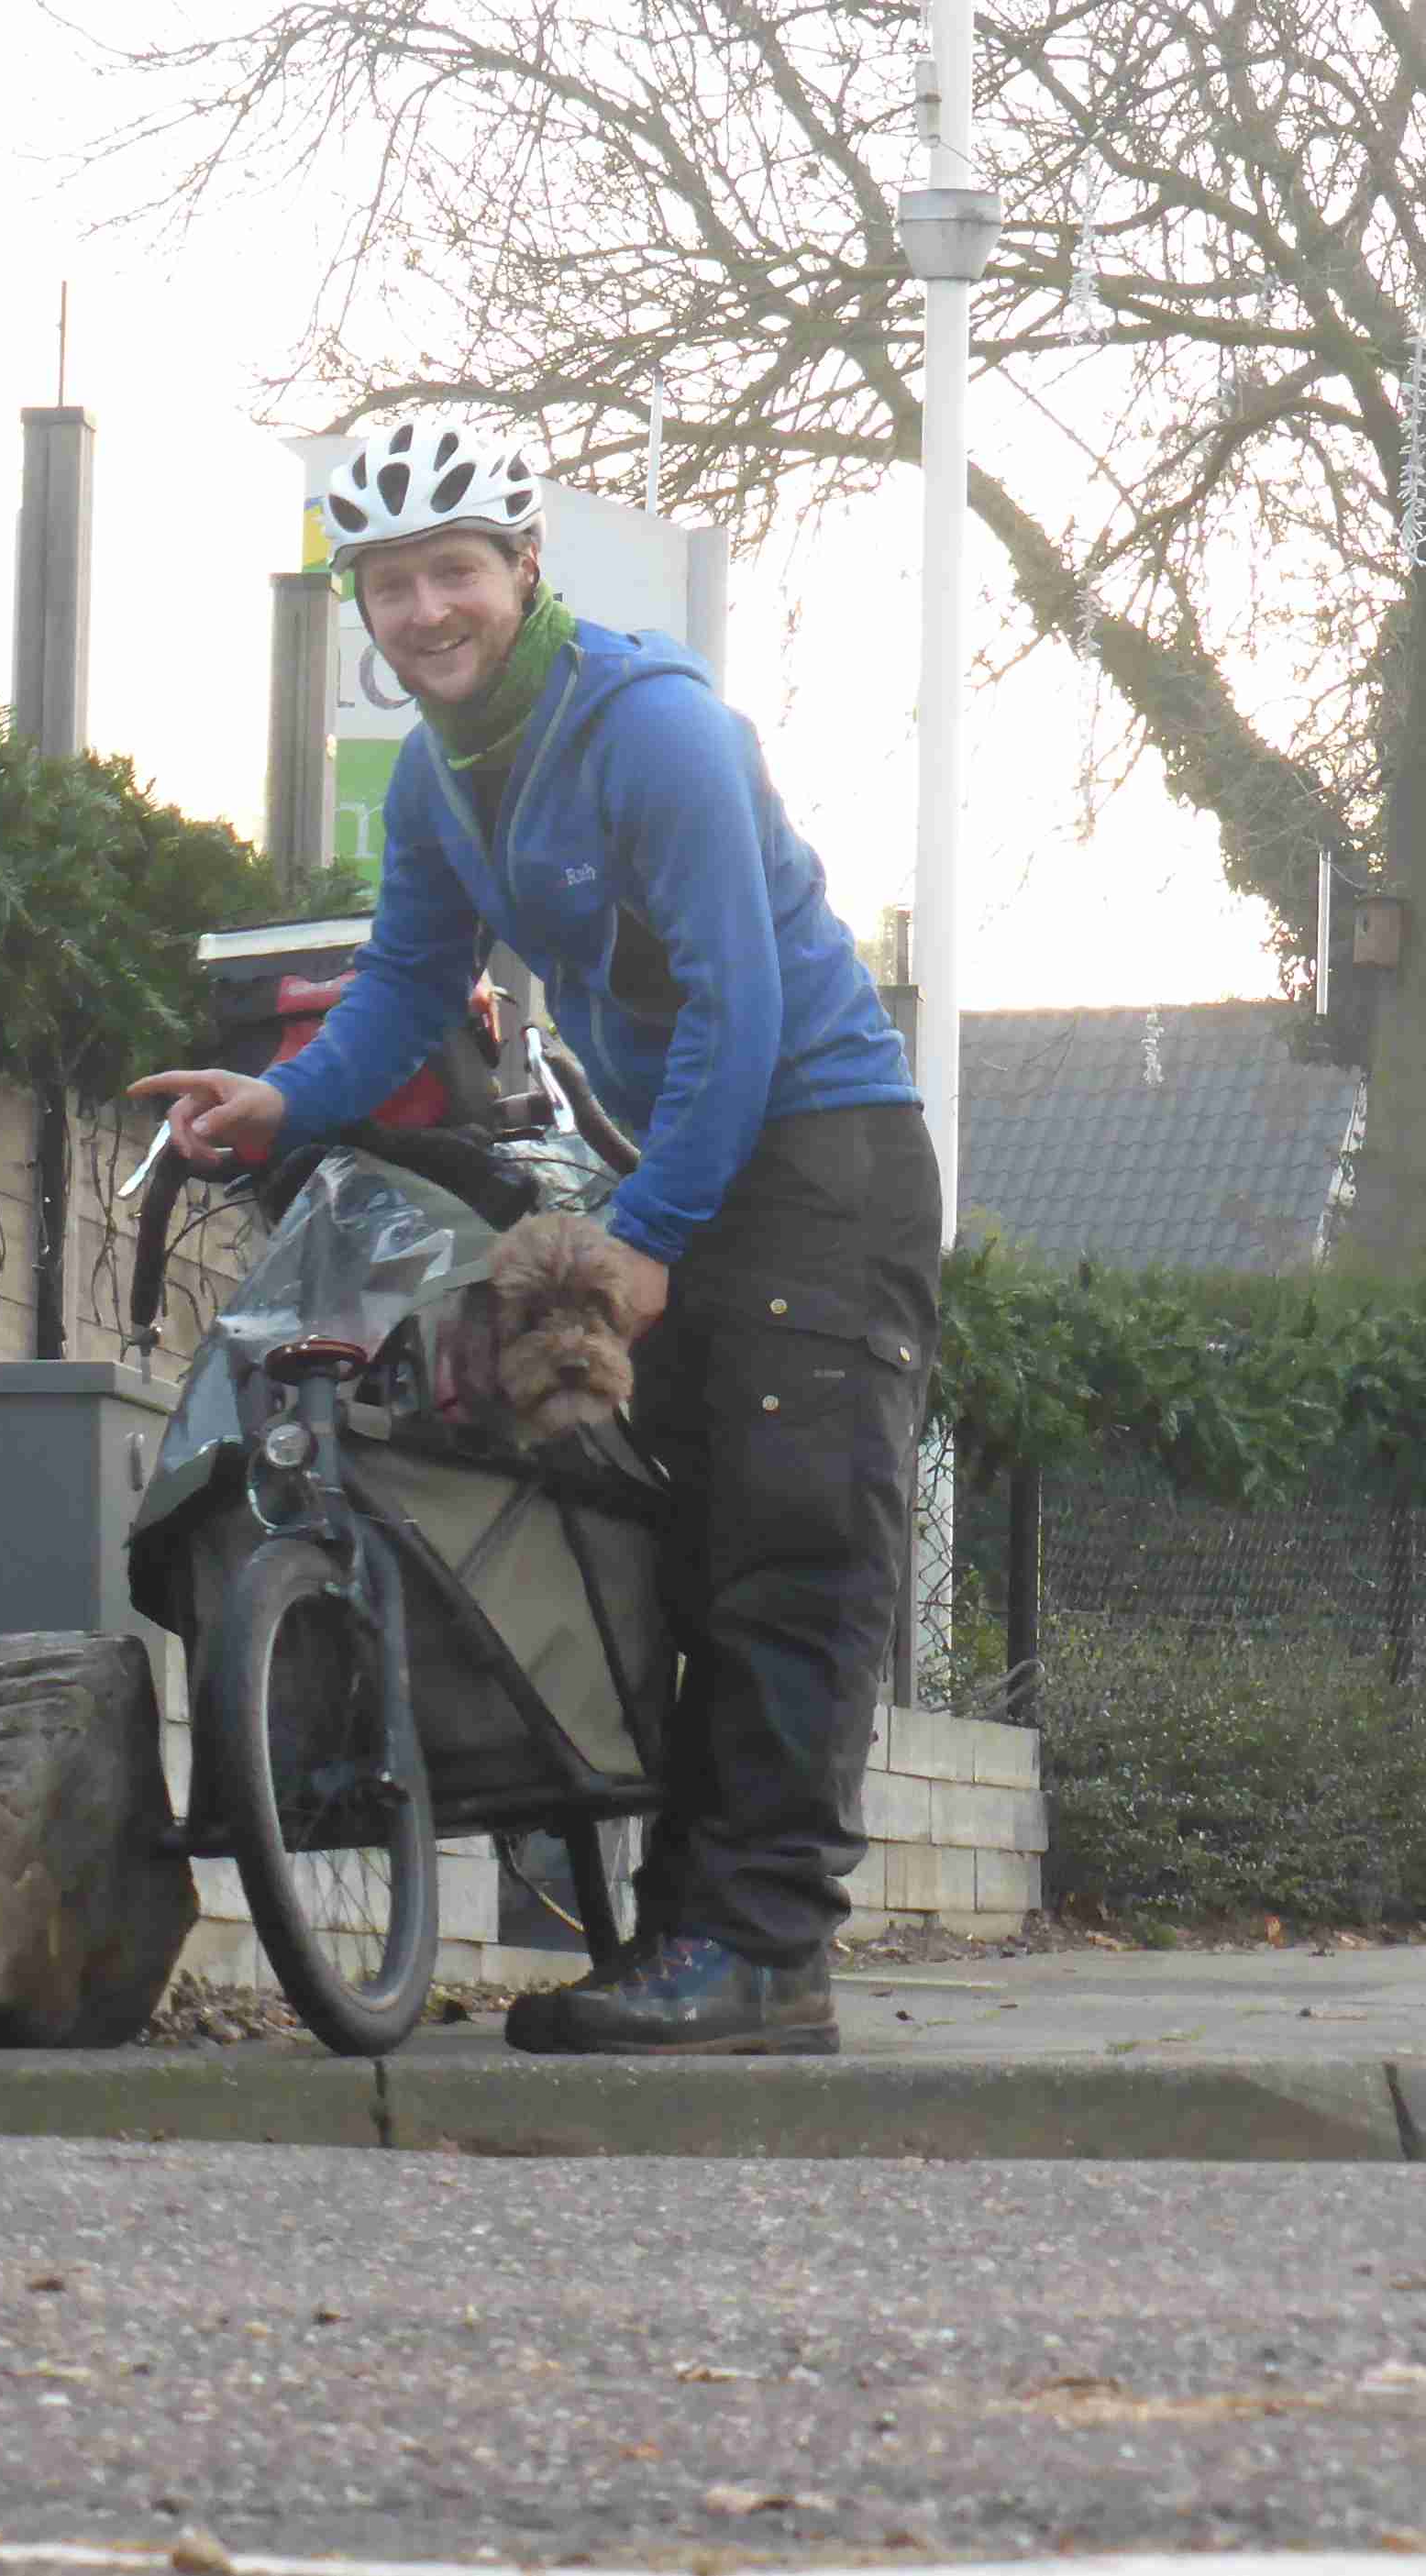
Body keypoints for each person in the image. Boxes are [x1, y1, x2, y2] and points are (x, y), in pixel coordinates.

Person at [130, 418, 934, 2057]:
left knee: (790, 1548)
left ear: (524, 573)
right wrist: (283, 1104)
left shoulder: (654, 732)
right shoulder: (442, 778)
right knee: (689, 1554)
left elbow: (745, 1003)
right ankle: (691, 1942)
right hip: (698, 1155)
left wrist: (647, 1233)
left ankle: (769, 1952)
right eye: (390, 583)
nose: (424, 610)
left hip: (825, 1152)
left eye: (454, 573)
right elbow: (411, 987)